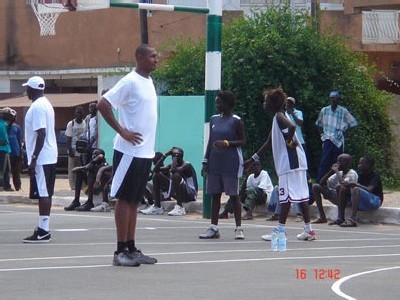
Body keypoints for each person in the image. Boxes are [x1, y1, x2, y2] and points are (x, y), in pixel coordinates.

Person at [97, 44, 159, 267]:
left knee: (134, 199)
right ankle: (120, 250)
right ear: (140, 57)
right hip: (129, 151)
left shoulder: (148, 82)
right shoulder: (129, 81)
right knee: (124, 198)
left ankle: (131, 248)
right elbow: (103, 104)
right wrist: (121, 131)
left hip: (144, 152)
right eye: (152, 56)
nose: (156, 59)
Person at [245, 87, 316, 242]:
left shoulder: (278, 116)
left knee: (285, 198)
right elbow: (269, 142)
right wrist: (252, 159)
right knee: (302, 197)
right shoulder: (277, 118)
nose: (264, 103)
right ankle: (309, 231)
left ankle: (280, 232)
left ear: (271, 103)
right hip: (298, 162)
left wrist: (289, 141)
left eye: (265, 101)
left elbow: (291, 127)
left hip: (290, 163)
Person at [199, 90, 246, 240]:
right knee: (215, 195)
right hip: (215, 162)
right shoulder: (214, 119)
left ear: (228, 104)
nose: (217, 105)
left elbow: (243, 141)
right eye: (216, 102)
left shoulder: (236, 120)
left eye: (220, 102)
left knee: (233, 195)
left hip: (230, 163)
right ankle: (214, 228)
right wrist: (205, 161)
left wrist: (227, 143)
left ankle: (238, 228)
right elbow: (210, 142)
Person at [22, 76, 57, 243]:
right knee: (45, 192)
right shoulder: (47, 104)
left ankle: (43, 230)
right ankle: (43, 227)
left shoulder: (37, 107)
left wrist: (33, 158)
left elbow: (41, 133)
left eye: (28, 88)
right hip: (50, 155)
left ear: (33, 89)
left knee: (43, 192)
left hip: (42, 157)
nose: (26, 91)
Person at [140, 146, 198, 216]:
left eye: (174, 157)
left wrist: (175, 156)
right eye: (172, 157)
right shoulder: (173, 165)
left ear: (179, 156)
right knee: (157, 175)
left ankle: (180, 207)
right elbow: (156, 170)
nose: (173, 158)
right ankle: (157, 207)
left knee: (175, 176)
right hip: (180, 192)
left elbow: (173, 170)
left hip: (190, 195)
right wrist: (165, 155)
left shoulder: (187, 165)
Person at [315, 91, 358, 183]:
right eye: (332, 98)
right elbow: (318, 124)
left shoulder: (343, 111)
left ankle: (336, 182)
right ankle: (321, 182)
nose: (334, 100)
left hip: (338, 141)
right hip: (327, 139)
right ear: (329, 99)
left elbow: (353, 123)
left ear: (339, 100)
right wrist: (322, 136)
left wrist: (344, 131)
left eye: (336, 98)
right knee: (324, 162)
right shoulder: (324, 110)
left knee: (338, 163)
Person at [311, 153, 358, 225]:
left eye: (340, 162)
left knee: (340, 187)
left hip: (347, 200)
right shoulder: (340, 172)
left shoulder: (352, 173)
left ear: (347, 163)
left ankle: (340, 217)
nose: (337, 163)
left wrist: (336, 171)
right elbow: (322, 183)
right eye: (337, 161)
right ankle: (322, 216)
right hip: (337, 196)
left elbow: (343, 184)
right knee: (316, 187)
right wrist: (331, 171)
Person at [337, 156, 383, 227]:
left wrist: (356, 184)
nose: (359, 165)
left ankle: (352, 219)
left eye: (361, 163)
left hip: (375, 201)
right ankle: (340, 217)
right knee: (342, 188)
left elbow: (369, 189)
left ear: (369, 165)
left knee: (356, 189)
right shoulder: (359, 174)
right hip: (363, 200)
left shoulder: (375, 175)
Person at [65, 106, 87, 190]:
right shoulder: (71, 124)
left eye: (81, 113)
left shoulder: (85, 123)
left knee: (81, 168)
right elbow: (68, 137)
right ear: (75, 113)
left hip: (81, 150)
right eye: (78, 112)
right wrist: (69, 149)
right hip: (73, 149)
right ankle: (73, 186)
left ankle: (81, 186)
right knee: (72, 169)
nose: (79, 114)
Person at [3, 108, 23, 191]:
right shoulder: (3, 127)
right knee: (5, 170)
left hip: (15, 153)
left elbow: (19, 141)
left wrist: (21, 152)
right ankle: (6, 185)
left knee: (16, 171)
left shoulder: (17, 128)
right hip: (6, 152)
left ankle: (18, 187)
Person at [81, 101, 98, 165]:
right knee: (85, 162)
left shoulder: (97, 118)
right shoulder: (88, 117)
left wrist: (91, 143)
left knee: (93, 161)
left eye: (93, 107)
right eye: (90, 107)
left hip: (94, 144)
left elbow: (96, 132)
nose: (91, 108)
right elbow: (85, 129)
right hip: (87, 142)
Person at [0, 109, 12, 191]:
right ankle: (2, 185)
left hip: (6, 149)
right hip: (2, 149)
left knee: (7, 169)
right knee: (2, 169)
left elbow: (9, 127)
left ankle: (7, 185)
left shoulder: (4, 123)